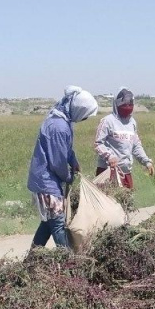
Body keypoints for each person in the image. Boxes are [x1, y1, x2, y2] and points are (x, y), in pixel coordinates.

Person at [26, 85, 99, 248]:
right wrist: (68, 177)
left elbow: (66, 149)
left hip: (47, 181)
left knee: (48, 223)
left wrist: (73, 160)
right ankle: (69, 264)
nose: (84, 119)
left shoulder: (64, 122)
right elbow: (58, 162)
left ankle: (31, 260)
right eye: (85, 116)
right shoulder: (59, 126)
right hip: (46, 182)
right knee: (58, 225)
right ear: (78, 109)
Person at [94, 88, 155, 189]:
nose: (127, 106)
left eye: (130, 103)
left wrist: (146, 162)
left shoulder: (132, 123)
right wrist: (109, 156)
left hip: (125, 172)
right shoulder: (107, 121)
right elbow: (98, 143)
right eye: (124, 104)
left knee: (125, 202)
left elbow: (136, 146)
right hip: (108, 172)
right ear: (116, 104)